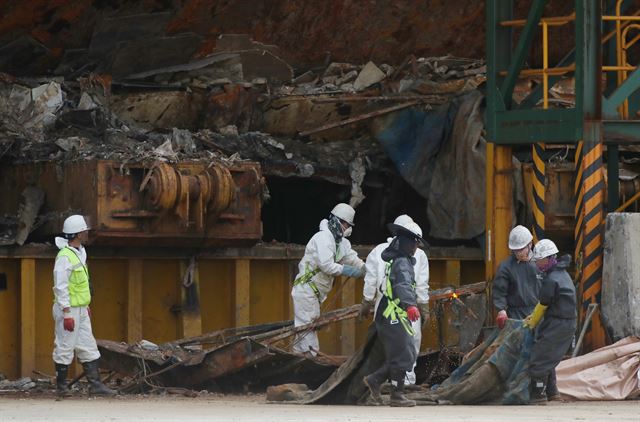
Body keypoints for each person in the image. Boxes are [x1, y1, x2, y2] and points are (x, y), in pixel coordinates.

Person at [359, 215, 429, 385]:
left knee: (387, 348)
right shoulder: (413, 256)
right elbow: (417, 285)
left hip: (384, 305)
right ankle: (403, 385)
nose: (415, 245)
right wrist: (422, 307)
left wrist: (367, 302)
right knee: (408, 348)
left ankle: (384, 383)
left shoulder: (380, 251)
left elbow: (371, 280)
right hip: (404, 308)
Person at [52, 215, 115, 396]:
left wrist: (85, 305)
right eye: (84, 231)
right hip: (69, 309)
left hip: (79, 308)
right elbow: (61, 286)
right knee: (65, 345)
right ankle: (62, 388)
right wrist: (66, 312)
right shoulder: (64, 256)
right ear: (78, 233)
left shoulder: (79, 252)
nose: (87, 233)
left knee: (88, 345)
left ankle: (96, 386)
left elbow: (81, 283)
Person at [291, 203, 365, 356]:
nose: (346, 228)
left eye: (348, 225)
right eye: (345, 224)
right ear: (336, 221)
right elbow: (326, 266)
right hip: (306, 291)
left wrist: (366, 269)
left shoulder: (341, 243)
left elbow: (352, 258)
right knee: (308, 332)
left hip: (315, 294)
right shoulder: (322, 238)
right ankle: (310, 362)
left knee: (304, 332)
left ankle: (296, 362)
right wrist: (348, 270)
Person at [524, 239, 576, 403]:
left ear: (548, 259)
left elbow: (543, 304)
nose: (537, 263)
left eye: (539, 260)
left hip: (559, 323)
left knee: (539, 358)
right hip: (564, 322)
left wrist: (531, 322)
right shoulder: (562, 274)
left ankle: (538, 395)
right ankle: (553, 392)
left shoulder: (551, 279)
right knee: (549, 356)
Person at [493, 225, 540, 328]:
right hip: (515, 316)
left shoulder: (540, 264)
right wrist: (501, 310)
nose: (518, 253)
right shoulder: (505, 267)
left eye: (521, 249)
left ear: (530, 244)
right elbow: (499, 292)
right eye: (515, 250)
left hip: (537, 314)